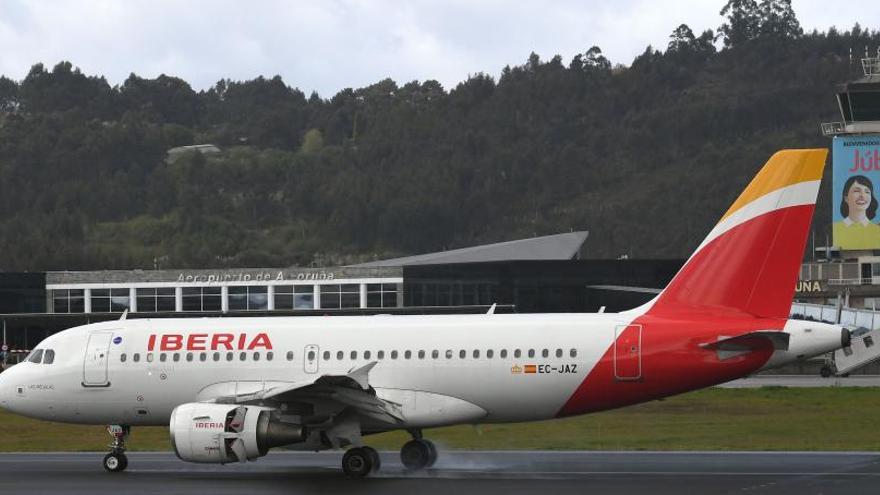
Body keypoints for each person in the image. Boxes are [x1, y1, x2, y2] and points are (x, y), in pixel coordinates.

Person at [833, 175, 880, 249]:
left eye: (867, 192)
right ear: (846, 198)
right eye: (857, 191)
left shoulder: (878, 231)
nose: (862, 196)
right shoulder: (833, 229)